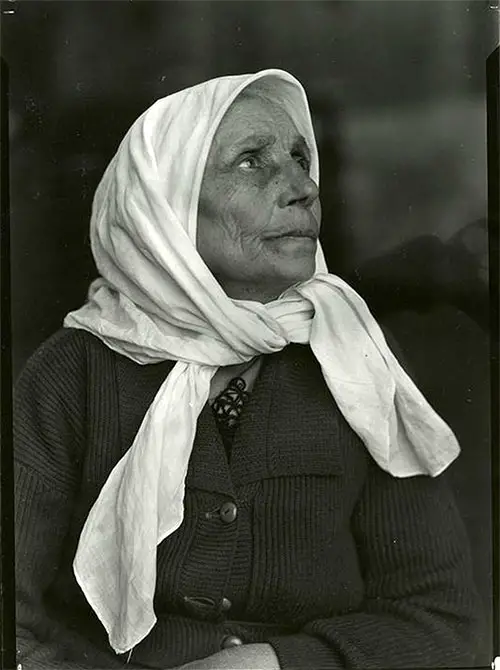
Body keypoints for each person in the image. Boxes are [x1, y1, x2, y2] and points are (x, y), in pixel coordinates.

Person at [14, 69, 484, 670]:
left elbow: (442, 622)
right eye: (251, 162)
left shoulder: (354, 355)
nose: (302, 187)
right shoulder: (72, 374)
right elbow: (13, 628)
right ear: (166, 206)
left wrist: (277, 664)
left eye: (298, 157)